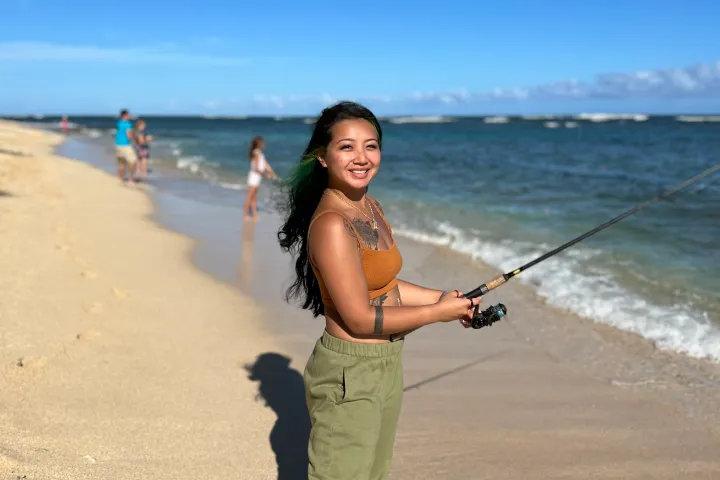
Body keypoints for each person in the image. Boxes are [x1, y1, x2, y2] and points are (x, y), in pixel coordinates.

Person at [276, 101, 479, 480]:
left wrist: (445, 300)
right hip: (349, 371)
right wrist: (438, 314)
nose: (361, 157)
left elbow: (385, 284)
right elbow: (359, 317)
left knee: (374, 474)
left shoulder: (370, 206)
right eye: (346, 146)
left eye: (371, 145)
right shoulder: (332, 224)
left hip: (385, 364)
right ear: (322, 157)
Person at [243, 136, 277, 221]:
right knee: (250, 196)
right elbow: (256, 168)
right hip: (254, 177)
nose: (264, 144)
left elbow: (265, 164)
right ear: (260, 144)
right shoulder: (257, 153)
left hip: (257, 177)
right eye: (263, 143)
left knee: (254, 197)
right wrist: (266, 175)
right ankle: (245, 214)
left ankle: (254, 214)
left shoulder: (260, 154)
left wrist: (271, 172)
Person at [114, 109, 137, 185]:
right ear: (124, 115)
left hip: (117, 145)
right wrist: (135, 140)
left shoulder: (119, 123)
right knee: (133, 161)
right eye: (128, 115)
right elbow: (129, 135)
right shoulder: (127, 124)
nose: (129, 116)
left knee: (122, 163)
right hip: (125, 145)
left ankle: (120, 179)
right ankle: (131, 179)